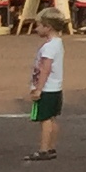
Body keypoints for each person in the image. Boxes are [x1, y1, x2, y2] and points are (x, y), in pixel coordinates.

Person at [25, 15, 65, 160]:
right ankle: (51, 147)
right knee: (52, 118)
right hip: (56, 87)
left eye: (39, 26)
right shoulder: (58, 42)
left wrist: (38, 89)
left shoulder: (48, 47)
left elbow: (45, 69)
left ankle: (43, 150)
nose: (36, 29)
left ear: (48, 27)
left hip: (47, 88)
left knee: (45, 119)